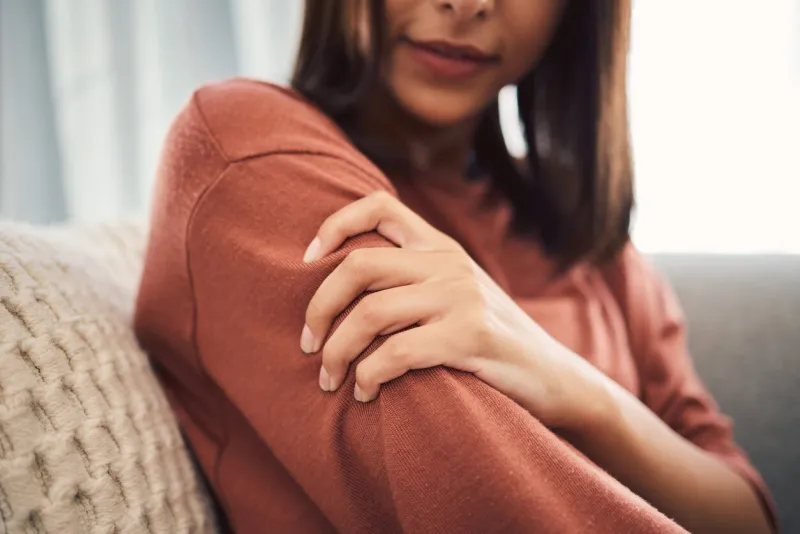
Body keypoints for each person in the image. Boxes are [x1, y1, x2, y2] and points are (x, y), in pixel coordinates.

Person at [135, 1, 777, 532]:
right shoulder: (250, 151)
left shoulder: (586, 236)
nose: (468, 4)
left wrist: (576, 388)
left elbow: (744, 511)